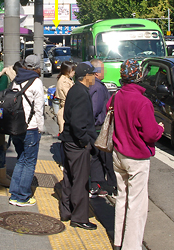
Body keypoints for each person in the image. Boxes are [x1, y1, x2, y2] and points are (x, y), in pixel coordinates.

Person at [110, 59, 164, 249]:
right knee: (137, 205)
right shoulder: (142, 102)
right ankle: (131, 246)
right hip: (136, 157)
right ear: (139, 76)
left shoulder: (117, 96)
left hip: (118, 154)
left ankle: (118, 241)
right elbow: (150, 134)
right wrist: (160, 129)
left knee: (122, 198)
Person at [59, 62, 99, 230]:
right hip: (77, 143)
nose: (95, 78)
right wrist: (85, 142)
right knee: (81, 181)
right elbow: (78, 123)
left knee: (68, 177)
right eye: (93, 75)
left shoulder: (75, 89)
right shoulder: (82, 93)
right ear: (86, 77)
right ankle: (79, 217)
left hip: (68, 140)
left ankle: (66, 211)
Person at [8, 55, 44, 207]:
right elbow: (39, 109)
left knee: (21, 159)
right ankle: (23, 195)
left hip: (16, 127)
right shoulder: (36, 82)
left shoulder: (16, 79)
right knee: (29, 162)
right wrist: (41, 129)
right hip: (30, 127)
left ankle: (14, 194)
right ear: (36, 66)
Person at [88, 58, 116, 198]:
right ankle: (111, 184)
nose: (105, 71)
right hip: (98, 127)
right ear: (97, 73)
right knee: (104, 156)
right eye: (103, 69)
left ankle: (95, 185)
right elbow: (95, 109)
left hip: (95, 127)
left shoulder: (92, 84)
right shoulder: (98, 87)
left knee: (96, 157)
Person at [55, 61, 76, 134]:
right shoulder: (64, 81)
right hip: (66, 109)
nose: (74, 72)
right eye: (73, 70)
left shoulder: (67, 79)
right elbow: (70, 95)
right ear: (68, 71)